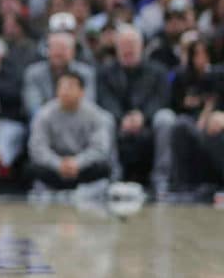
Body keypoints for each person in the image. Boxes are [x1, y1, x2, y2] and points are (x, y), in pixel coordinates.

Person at [96, 25, 173, 191]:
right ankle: (112, 176)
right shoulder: (105, 72)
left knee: (166, 118)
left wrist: (143, 116)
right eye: (123, 45)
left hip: (148, 122)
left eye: (132, 45)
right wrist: (121, 118)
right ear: (116, 49)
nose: (128, 49)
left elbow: (162, 99)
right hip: (119, 122)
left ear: (142, 47)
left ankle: (161, 178)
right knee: (104, 119)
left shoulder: (158, 71)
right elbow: (104, 99)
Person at [28, 71, 113, 191]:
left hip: (82, 166)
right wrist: (58, 164)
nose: (65, 91)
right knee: (31, 168)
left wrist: (77, 163)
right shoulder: (44, 114)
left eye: (70, 87)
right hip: (55, 166)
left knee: (104, 168)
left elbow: (100, 148)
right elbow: (37, 148)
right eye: (61, 87)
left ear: (82, 92)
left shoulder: (95, 115)